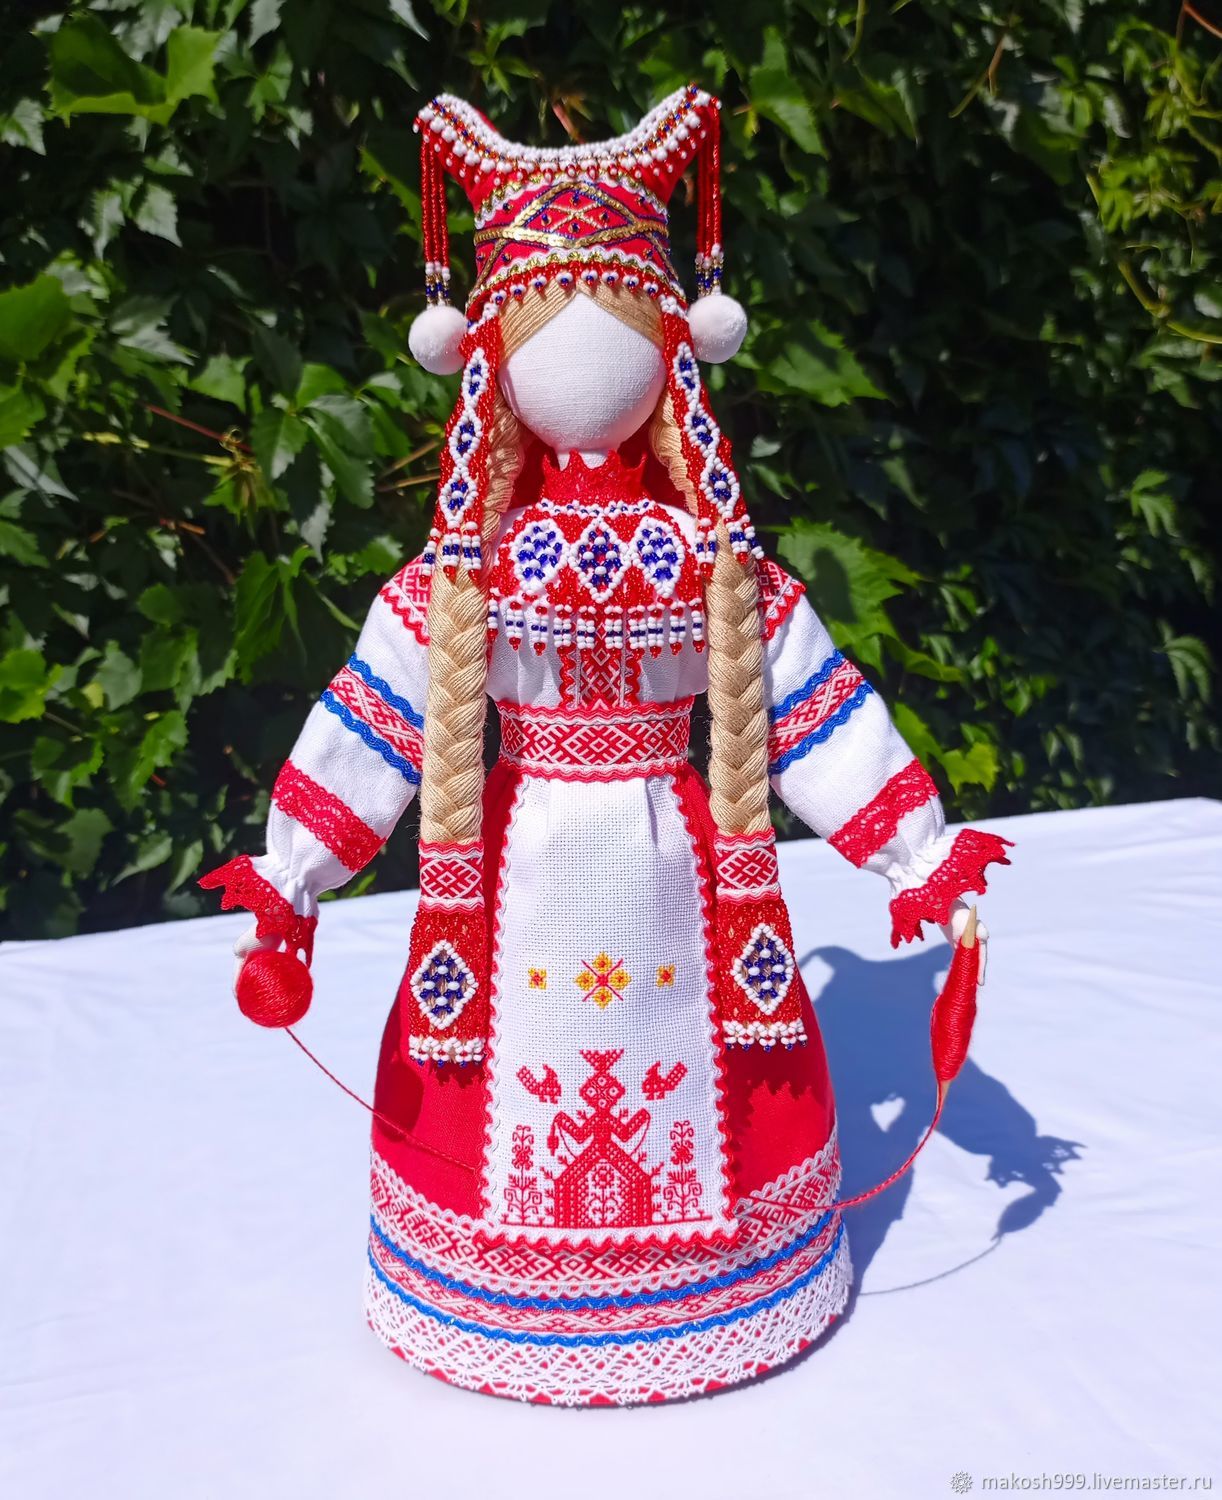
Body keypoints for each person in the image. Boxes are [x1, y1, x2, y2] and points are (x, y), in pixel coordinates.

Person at [202, 84, 1010, 1406]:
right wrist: (293, 868)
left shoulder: (694, 567)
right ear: (494, 366)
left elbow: (810, 706)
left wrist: (914, 850)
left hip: (657, 861)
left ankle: (711, 1282)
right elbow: (376, 717)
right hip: (547, 864)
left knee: (688, 1033)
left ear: (671, 362)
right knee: (544, 1037)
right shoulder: (485, 571)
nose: (588, 377)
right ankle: (528, 1290)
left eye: (621, 340)